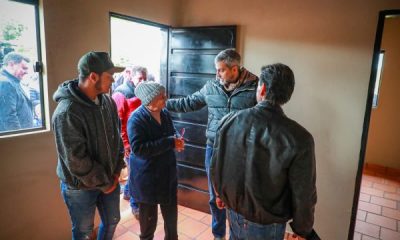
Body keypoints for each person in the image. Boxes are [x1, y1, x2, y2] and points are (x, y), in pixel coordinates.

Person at [211, 63, 319, 240]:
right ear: (287, 95)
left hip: (234, 212)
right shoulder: (300, 138)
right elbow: (304, 194)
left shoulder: (228, 120)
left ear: (263, 88)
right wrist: (303, 230)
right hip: (267, 223)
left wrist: (219, 193)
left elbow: (216, 164)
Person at [166, 48, 258, 240]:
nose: (217, 74)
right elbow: (188, 103)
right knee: (214, 196)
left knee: (238, 195)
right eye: (216, 70)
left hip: (241, 151)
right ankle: (218, 235)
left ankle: (237, 233)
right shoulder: (211, 87)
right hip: (213, 149)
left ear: (235, 69)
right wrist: (162, 103)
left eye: (221, 70)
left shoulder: (254, 88)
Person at [52, 51, 125, 240]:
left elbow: (117, 138)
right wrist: (105, 182)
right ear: (93, 76)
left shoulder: (108, 101)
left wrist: (116, 170)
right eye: (110, 76)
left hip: (110, 179)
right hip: (79, 187)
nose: (114, 80)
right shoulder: (67, 112)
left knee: (112, 221)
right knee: (84, 232)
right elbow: (76, 161)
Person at [127, 82, 184, 240]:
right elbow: (139, 149)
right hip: (147, 180)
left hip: (167, 177)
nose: (165, 99)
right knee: (148, 226)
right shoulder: (136, 119)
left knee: (171, 224)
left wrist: (177, 139)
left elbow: (171, 132)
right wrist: (169, 142)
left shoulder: (164, 113)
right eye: (161, 97)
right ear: (150, 100)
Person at [112, 65, 147, 217]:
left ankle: (126, 193)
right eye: (140, 78)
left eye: (145, 79)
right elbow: (118, 122)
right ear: (130, 76)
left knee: (134, 172)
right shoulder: (120, 94)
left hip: (139, 140)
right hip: (129, 142)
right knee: (135, 175)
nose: (143, 81)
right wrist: (125, 144)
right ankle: (135, 206)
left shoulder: (141, 91)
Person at [0, 52, 33, 132]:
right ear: (11, 64)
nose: (27, 72)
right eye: (24, 68)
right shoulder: (5, 83)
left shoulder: (12, 81)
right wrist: (20, 139)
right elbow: (8, 117)